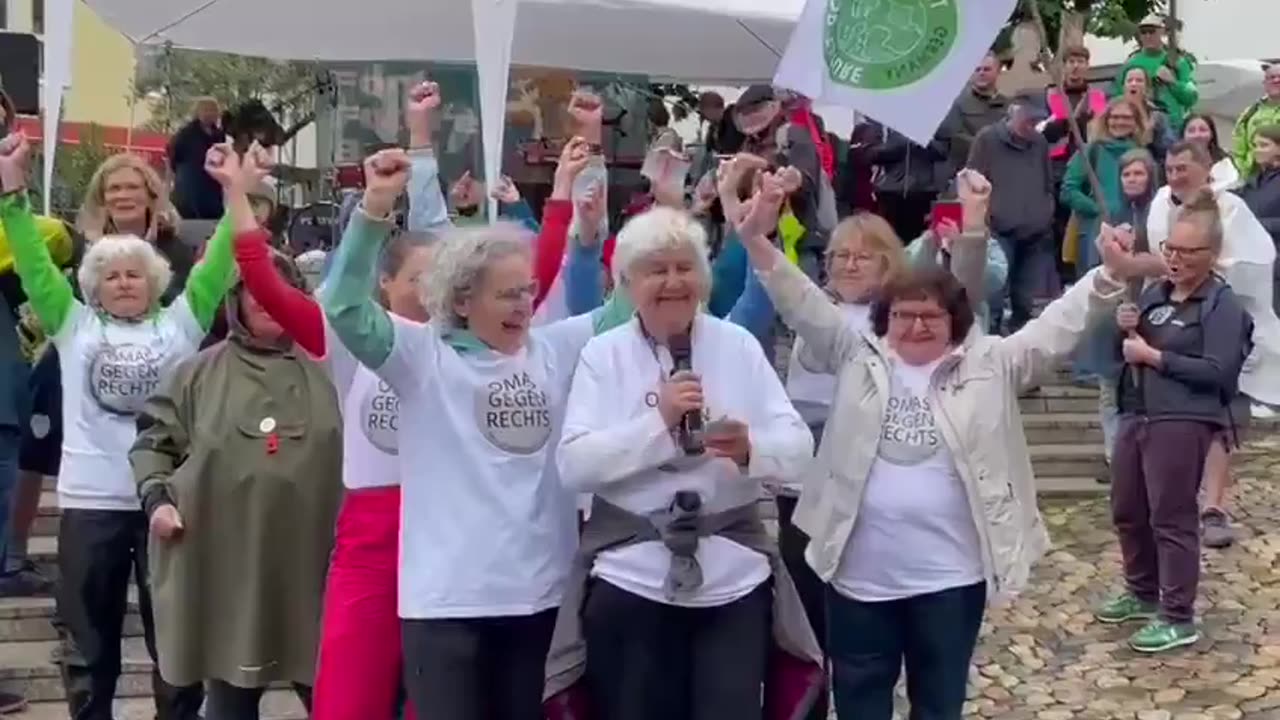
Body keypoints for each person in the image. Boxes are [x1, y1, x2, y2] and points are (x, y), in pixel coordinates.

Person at [736, 167, 1147, 720]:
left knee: (939, 703)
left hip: (949, 580)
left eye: (931, 316)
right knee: (859, 700)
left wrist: (1104, 277)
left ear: (954, 322)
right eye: (904, 315)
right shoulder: (856, 354)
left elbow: (1055, 327)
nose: (917, 326)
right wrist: (756, 240)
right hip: (857, 576)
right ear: (885, 320)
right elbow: (800, 299)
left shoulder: (991, 364)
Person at [319, 138, 609, 720]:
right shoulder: (419, 356)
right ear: (463, 298)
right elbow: (346, 306)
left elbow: (633, 305)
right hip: (445, 603)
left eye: (527, 293)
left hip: (537, 600)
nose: (524, 306)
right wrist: (375, 209)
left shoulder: (552, 349)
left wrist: (591, 228)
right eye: (507, 295)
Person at [0, 132, 239, 720]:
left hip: (169, 504)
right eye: (111, 275)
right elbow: (32, 263)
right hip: (91, 503)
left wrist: (237, 191)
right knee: (88, 645)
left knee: (175, 643)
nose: (124, 282)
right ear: (92, 285)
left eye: (135, 274)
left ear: (155, 281)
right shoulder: (73, 325)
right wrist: (12, 195)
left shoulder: (183, 323)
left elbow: (226, 256)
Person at [552, 205, 818, 720]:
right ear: (627, 282)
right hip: (630, 577)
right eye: (657, 269)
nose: (674, 281)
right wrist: (659, 426)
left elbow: (799, 449)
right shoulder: (603, 355)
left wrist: (750, 449)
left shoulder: (737, 345)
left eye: (685, 267)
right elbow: (575, 467)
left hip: (733, 580)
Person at [131, 144, 338, 719]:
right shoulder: (198, 372)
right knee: (228, 697)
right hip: (226, 562)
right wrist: (157, 500)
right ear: (236, 299)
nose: (268, 303)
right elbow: (153, 442)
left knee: (335, 693)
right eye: (256, 291)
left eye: (282, 291)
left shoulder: (335, 369)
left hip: (314, 564)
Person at [1096, 188, 1253, 653]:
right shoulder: (1153, 295)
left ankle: (1177, 613)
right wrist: (1121, 327)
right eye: (1170, 249)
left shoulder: (1222, 305)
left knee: (1172, 516)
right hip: (1137, 413)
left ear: (1213, 254)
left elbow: (1220, 373)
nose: (1176, 259)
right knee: (1128, 510)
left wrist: (1156, 356)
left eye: (1188, 251)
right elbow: (1119, 356)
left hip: (1183, 418)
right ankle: (1141, 591)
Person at [1147, 140, 1280, 548]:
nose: (1175, 177)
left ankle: (1214, 505)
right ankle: (1176, 497)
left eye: (1183, 168)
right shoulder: (1160, 204)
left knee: (1222, 412)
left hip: (1222, 313)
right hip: (1175, 313)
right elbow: (1156, 255)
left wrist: (1213, 271)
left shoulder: (1230, 208)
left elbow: (1256, 260)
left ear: (1205, 169)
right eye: (1169, 169)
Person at [1095, 149, 1162, 466]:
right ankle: (1115, 458)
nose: (1132, 180)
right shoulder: (1112, 213)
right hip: (1114, 308)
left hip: (1148, 306)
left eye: (1139, 173)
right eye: (1126, 174)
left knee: (1140, 388)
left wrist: (1134, 255)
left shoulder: (1160, 213)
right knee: (1109, 387)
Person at [968, 99, 1057, 334]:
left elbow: (1048, 182)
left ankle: (1020, 346)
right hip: (998, 229)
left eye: (1038, 122)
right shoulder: (986, 140)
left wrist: (1046, 211)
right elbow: (972, 180)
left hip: (1035, 232)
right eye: (1030, 121)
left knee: (1026, 300)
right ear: (1013, 115)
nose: (1034, 127)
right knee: (994, 296)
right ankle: (991, 340)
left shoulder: (1039, 142)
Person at [1042, 45, 1108, 280]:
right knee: (1060, 225)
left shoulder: (1099, 97)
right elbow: (1042, 133)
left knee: (1085, 223)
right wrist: (1069, 122)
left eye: (1081, 61)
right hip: (1059, 168)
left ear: (1087, 66)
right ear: (1064, 66)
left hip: (1090, 167)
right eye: (1071, 61)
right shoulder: (1049, 96)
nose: (1076, 66)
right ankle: (1063, 276)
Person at [1061, 98, 1147, 275]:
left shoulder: (1143, 154)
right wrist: (1097, 209)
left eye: (1126, 117)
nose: (1120, 122)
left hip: (1133, 232)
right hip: (1095, 232)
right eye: (1114, 117)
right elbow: (1068, 190)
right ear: (1106, 120)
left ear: (1136, 122)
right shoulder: (1092, 151)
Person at [862, 118, 953, 243]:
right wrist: (903, 143)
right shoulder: (881, 123)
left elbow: (943, 152)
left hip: (923, 191)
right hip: (891, 192)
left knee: (920, 241)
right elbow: (870, 154)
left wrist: (924, 140)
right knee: (890, 239)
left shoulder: (936, 122)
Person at [1114, 14, 1198, 133]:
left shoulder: (1178, 62)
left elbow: (1191, 98)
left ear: (1162, 32)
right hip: (1140, 126)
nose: (1148, 36)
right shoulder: (1130, 64)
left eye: (1152, 31)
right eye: (1143, 32)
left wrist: (1172, 82)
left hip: (1173, 126)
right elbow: (1114, 95)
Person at [1233, 124, 1280, 311]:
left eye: (1264, 145)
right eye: (1255, 145)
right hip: (1253, 262)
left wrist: (1256, 225)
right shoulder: (1254, 178)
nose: (1257, 150)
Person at [168, 97, 228, 220]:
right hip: (190, 183)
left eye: (213, 110)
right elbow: (173, 155)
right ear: (197, 112)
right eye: (206, 110)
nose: (210, 114)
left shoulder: (219, 135)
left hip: (212, 185)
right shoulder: (186, 134)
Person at [951, 51, 1010, 173]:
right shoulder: (957, 104)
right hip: (968, 173)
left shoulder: (1009, 106)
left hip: (1002, 174)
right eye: (977, 69)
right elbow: (955, 139)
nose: (981, 73)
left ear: (998, 71)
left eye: (986, 69)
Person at [1120, 66, 1175, 169]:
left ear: (1147, 87)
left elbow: (1168, 149)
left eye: (1139, 80)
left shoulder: (1158, 115)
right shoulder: (1113, 110)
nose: (1134, 84)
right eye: (1129, 80)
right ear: (1123, 86)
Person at [1230, 63, 1280, 175]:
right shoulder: (1250, 112)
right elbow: (1238, 146)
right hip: (1254, 177)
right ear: (1264, 84)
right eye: (1271, 77)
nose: (1276, 80)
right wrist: (1244, 171)